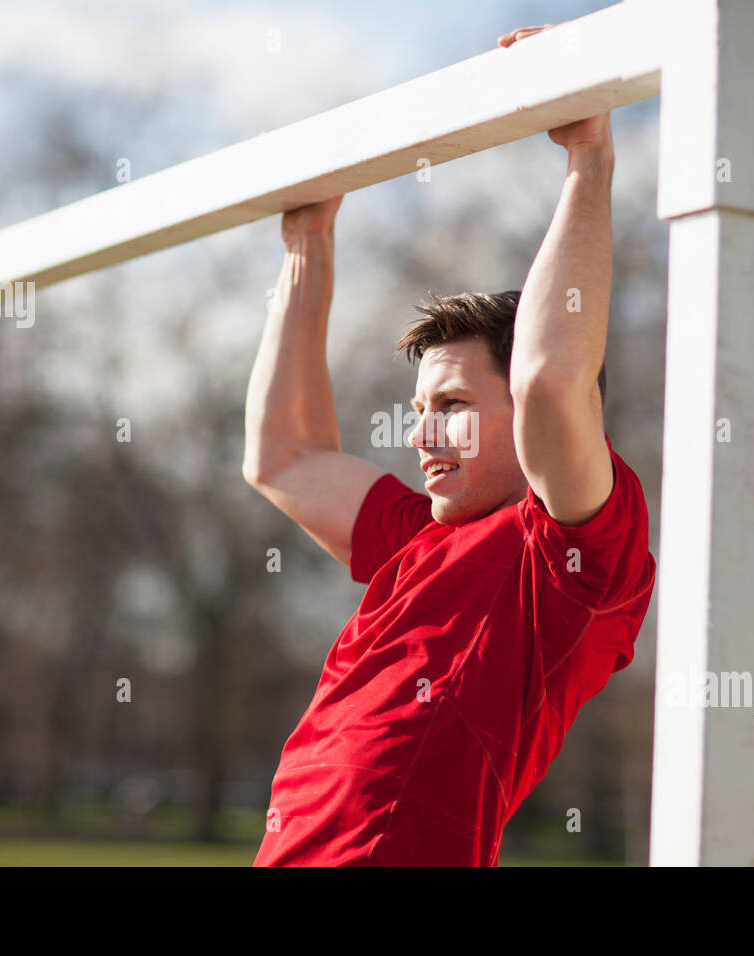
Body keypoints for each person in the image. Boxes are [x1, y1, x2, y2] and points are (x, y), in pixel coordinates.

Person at [243, 24, 656, 866]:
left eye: (456, 404)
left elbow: (548, 381)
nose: (421, 433)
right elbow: (280, 456)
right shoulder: (418, 542)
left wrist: (587, 154)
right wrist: (307, 242)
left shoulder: (568, 556)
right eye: (419, 405)